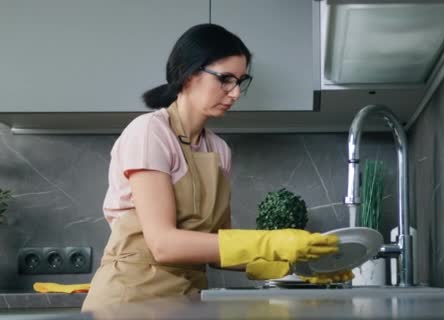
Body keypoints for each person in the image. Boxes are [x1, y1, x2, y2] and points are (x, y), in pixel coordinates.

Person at [81, 24, 351, 311]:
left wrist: (295, 268)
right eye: (225, 79)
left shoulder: (219, 151)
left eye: (240, 81)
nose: (235, 93)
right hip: (128, 303)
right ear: (188, 73)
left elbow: (216, 249)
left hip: (186, 303)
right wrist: (271, 242)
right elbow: (163, 244)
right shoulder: (150, 132)